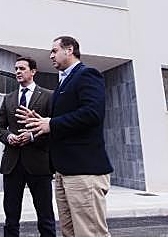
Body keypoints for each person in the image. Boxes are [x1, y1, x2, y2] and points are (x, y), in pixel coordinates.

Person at [18, 36, 113, 237]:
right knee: (69, 232)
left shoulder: (87, 74)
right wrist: (41, 123)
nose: (51, 56)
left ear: (69, 50)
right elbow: (63, 120)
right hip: (63, 172)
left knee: (89, 233)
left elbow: (92, 113)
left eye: (54, 51)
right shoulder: (63, 82)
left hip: (84, 171)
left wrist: (51, 123)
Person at [0, 57, 55, 237]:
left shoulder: (48, 96)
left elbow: (54, 128)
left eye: (22, 68)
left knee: (45, 215)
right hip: (12, 164)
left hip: (39, 163)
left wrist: (32, 136)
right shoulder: (9, 98)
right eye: (16, 69)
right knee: (11, 216)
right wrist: (9, 137)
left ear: (33, 71)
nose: (18, 72)